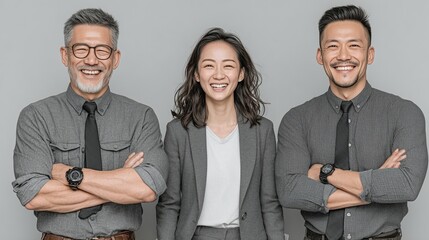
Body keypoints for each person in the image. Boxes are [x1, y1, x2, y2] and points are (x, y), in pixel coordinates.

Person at [12, 8, 168, 240]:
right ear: (65, 55)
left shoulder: (141, 117)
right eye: (81, 49)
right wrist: (120, 182)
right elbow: (34, 196)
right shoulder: (35, 117)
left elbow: (146, 188)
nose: (92, 60)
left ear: (115, 59)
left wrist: (69, 175)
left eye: (102, 51)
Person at [275, 5, 428, 240]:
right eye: (333, 46)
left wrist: (326, 173)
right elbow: (289, 191)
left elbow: (407, 184)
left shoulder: (405, 113)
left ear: (370, 54)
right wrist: (375, 181)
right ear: (320, 55)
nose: (343, 55)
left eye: (354, 45)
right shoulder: (296, 120)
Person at [156, 28, 284, 240]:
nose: (218, 75)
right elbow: (169, 205)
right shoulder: (178, 132)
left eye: (228, 66)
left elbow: (270, 203)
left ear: (241, 73)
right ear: (196, 74)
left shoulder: (263, 131)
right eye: (208, 66)